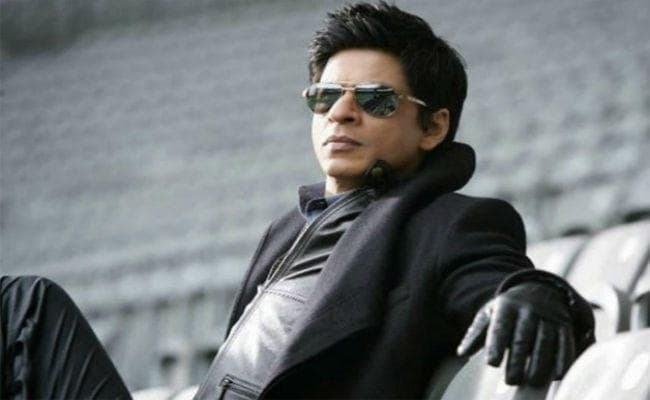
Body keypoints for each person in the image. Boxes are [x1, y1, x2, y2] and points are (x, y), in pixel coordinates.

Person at [1, 2, 594, 399]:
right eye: (325, 96)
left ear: (433, 127)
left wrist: (536, 295)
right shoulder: (286, 229)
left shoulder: (450, 223)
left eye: (376, 99)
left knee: (24, 304)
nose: (341, 112)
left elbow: (503, 283)